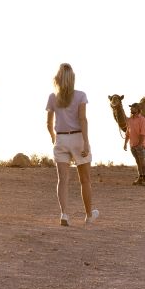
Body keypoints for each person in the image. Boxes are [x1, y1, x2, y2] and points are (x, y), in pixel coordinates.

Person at [46, 63, 99, 227]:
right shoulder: (81, 96)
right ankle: (89, 215)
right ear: (72, 79)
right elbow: (82, 119)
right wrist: (86, 142)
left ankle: (64, 214)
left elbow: (48, 123)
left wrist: (54, 137)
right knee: (85, 180)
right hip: (77, 138)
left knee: (62, 180)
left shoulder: (53, 97)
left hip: (61, 139)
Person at [123, 102, 145, 186]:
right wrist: (125, 144)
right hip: (132, 145)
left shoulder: (142, 120)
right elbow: (128, 133)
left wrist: (140, 144)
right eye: (131, 108)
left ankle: (144, 179)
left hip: (140, 145)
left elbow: (143, 133)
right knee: (138, 162)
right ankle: (140, 177)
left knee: (142, 161)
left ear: (137, 109)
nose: (130, 109)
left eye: (132, 108)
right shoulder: (129, 120)